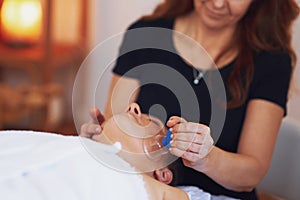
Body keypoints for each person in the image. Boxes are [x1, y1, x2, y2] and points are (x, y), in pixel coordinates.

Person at [81, 0, 300, 199]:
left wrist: (206, 157)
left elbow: (251, 174)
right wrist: (100, 141)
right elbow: (118, 136)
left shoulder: (271, 62)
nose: (217, 3)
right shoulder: (145, 34)